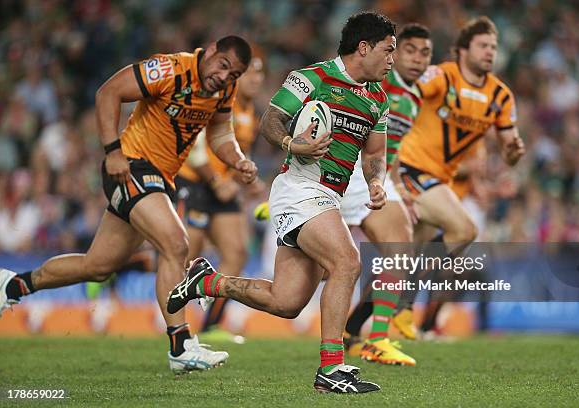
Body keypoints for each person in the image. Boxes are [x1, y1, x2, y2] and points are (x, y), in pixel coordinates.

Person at [0, 36, 257, 373]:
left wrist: (237, 160)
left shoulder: (223, 91)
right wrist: (112, 151)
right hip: (131, 166)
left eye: (234, 74)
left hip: (159, 178)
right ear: (210, 52)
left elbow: (220, 134)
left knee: (98, 266)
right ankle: (181, 347)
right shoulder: (170, 68)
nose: (225, 77)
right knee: (175, 243)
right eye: (223, 66)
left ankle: (12, 284)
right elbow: (108, 92)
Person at [168, 12, 396, 393]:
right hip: (300, 188)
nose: (392, 60)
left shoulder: (378, 100)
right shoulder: (312, 78)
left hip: (329, 198)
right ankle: (331, 369)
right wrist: (295, 144)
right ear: (364, 47)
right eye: (388, 51)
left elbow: (375, 154)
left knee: (286, 301)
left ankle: (206, 281)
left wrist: (376, 182)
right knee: (347, 261)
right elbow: (271, 121)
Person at [389, 16, 525, 327]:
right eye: (483, 45)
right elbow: (407, 91)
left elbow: (509, 149)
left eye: (493, 46)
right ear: (463, 49)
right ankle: (409, 306)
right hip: (412, 168)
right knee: (463, 231)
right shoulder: (442, 76)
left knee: (406, 259)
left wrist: (514, 153)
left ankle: (356, 330)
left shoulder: (501, 96)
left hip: (442, 184)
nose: (490, 51)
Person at [339, 23, 432, 365]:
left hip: (374, 175)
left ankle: (375, 338)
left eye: (425, 53)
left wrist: (399, 190)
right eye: (406, 50)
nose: (415, 59)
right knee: (301, 287)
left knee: (400, 247)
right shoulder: (380, 79)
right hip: (344, 171)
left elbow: (387, 149)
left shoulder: (414, 97)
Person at [175, 56, 266, 343]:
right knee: (180, 255)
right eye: (250, 74)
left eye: (260, 75)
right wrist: (216, 180)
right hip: (196, 182)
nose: (256, 79)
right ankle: (122, 267)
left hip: (223, 188)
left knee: (237, 253)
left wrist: (246, 176)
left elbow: (234, 153)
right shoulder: (220, 102)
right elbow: (195, 144)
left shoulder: (249, 112)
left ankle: (211, 325)